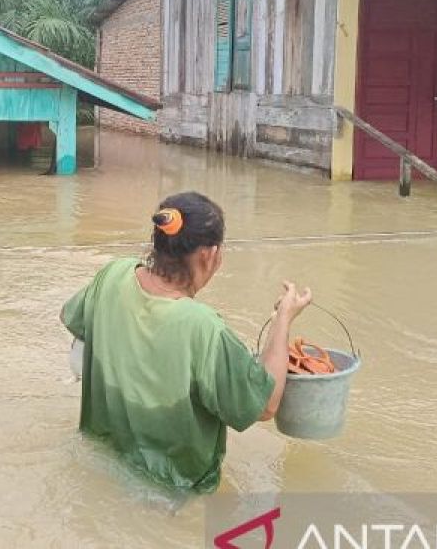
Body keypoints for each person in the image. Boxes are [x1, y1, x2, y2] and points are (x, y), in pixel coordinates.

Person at [60, 191, 311, 492]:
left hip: (102, 466)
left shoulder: (111, 275)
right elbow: (265, 406)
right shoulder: (204, 328)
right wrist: (283, 318)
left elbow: (78, 325)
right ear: (209, 255)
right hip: (173, 493)